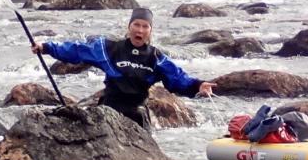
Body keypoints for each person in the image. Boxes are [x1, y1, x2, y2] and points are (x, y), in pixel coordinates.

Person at [32, 8, 214, 130]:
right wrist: (47, 47)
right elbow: (77, 50)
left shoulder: (156, 58)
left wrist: (198, 85)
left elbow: (177, 78)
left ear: (150, 31)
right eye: (136, 25)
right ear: (129, 27)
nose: (140, 30)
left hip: (137, 114)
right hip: (109, 110)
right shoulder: (108, 48)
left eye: (145, 26)